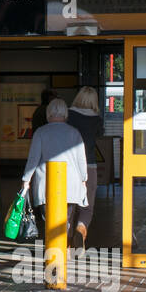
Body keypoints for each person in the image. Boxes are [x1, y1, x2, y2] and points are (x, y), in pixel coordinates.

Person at [21, 98, 88, 248]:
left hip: (47, 185)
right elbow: (81, 159)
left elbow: (33, 159)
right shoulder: (74, 133)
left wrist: (26, 180)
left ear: (48, 113)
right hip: (71, 185)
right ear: (65, 113)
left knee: (50, 220)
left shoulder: (40, 132)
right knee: (66, 219)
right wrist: (84, 179)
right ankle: (63, 250)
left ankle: (54, 251)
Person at [67, 86, 103, 249]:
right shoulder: (96, 119)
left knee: (69, 205)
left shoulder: (69, 115)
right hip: (89, 165)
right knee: (87, 205)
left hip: (69, 164)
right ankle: (81, 229)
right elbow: (100, 134)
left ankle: (64, 243)